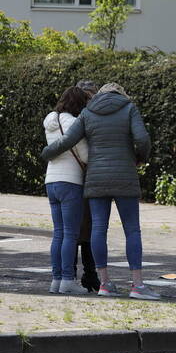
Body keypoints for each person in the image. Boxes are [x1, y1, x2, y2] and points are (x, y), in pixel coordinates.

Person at [41, 82, 157, 300]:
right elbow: (142, 139)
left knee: (98, 229)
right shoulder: (129, 108)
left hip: (96, 178)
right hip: (124, 176)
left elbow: (68, 140)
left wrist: (47, 152)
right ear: (121, 94)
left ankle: (104, 283)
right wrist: (140, 158)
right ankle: (138, 286)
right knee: (132, 229)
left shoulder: (87, 112)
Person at [42, 85, 92, 295]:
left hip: (51, 180)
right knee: (71, 234)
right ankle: (67, 281)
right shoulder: (73, 123)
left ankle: (56, 280)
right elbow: (86, 155)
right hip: (70, 182)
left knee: (58, 234)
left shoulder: (50, 121)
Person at [73, 80, 101, 292]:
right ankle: (81, 274)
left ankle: (87, 274)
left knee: (86, 228)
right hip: (80, 176)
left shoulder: (76, 116)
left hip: (85, 176)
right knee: (79, 228)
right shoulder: (84, 118)